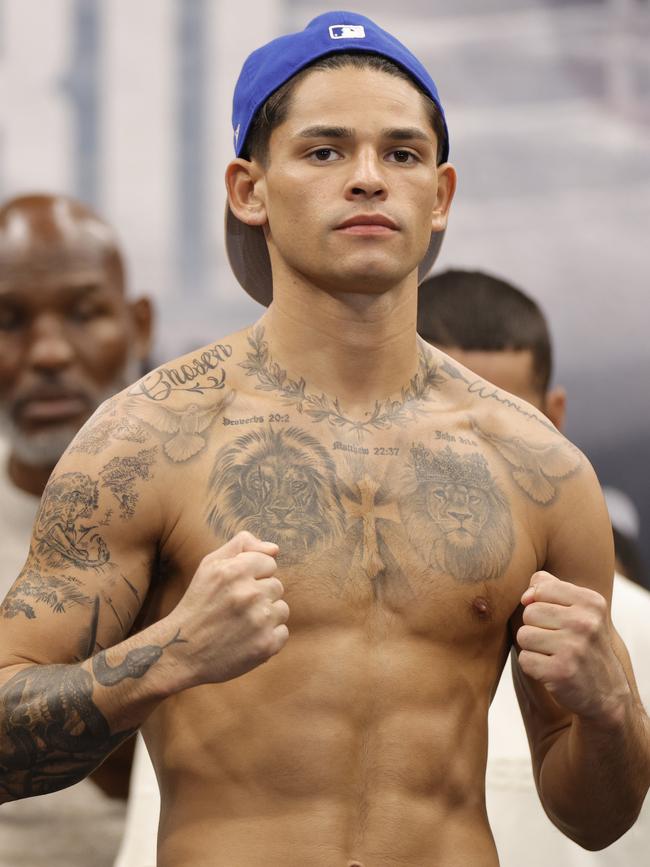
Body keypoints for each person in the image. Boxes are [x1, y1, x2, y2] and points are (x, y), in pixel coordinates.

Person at [1, 13, 648, 866]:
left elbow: (593, 819)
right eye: (325, 151)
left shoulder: (540, 470)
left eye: (403, 154)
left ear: (442, 194)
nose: (370, 179)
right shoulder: (145, 442)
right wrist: (168, 656)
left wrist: (612, 715)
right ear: (249, 188)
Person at [418, 267, 650, 865]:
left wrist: (612, 711)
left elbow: (610, 827)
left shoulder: (639, 631)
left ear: (554, 417)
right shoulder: (290, 602)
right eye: (441, 431)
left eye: (509, 427)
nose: (472, 463)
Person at [0, 193, 153, 866]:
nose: (50, 353)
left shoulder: (219, 521)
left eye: (85, 312)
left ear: (139, 325)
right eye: (7, 321)